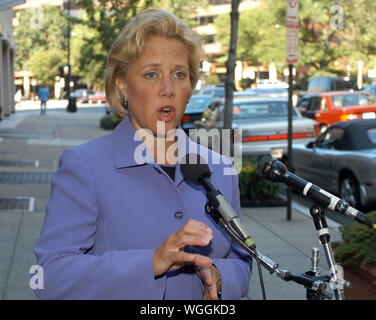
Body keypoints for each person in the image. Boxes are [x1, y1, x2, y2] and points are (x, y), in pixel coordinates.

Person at [33, 8, 252, 300]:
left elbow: (243, 260)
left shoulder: (221, 168)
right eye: (151, 74)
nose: (168, 88)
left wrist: (222, 277)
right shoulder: (85, 166)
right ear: (122, 83)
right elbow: (48, 278)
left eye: (179, 74)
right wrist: (150, 264)